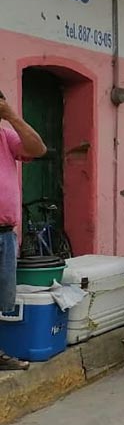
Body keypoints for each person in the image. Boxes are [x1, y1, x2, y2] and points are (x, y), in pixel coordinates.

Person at [1, 91, 48, 371]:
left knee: (2, 299)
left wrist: (11, 116)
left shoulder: (5, 136)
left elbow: (37, 149)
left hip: (5, 232)